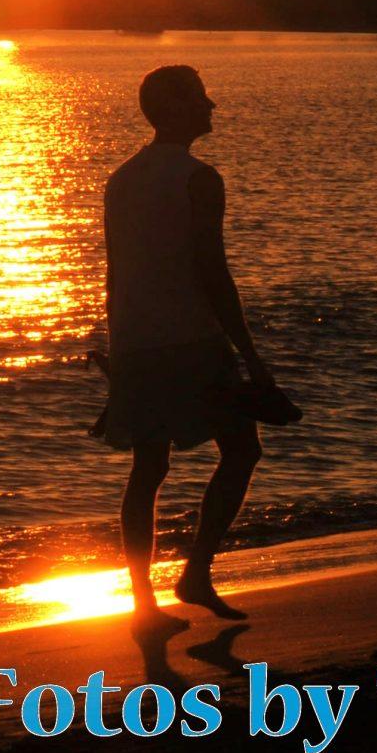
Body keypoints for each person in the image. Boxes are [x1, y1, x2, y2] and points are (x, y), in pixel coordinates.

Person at [101, 65, 274, 629]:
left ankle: (143, 602)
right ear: (176, 109)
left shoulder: (121, 178)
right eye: (200, 97)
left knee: (147, 466)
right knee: (242, 450)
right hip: (192, 339)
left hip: (136, 339)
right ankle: (195, 572)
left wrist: (119, 347)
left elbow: (115, 273)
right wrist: (248, 354)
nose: (212, 105)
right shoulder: (201, 178)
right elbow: (213, 273)